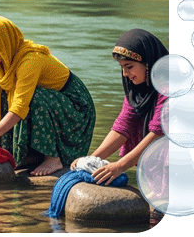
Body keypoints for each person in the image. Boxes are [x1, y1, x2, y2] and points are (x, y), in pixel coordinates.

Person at [0, 16, 96, 176]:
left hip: (74, 106)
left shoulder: (30, 60)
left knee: (34, 97)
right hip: (47, 102)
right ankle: (28, 155)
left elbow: (19, 107)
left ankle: (53, 158)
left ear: (4, 44)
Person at [70, 29, 168, 185]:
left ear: (147, 62)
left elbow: (157, 133)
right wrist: (89, 161)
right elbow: (124, 126)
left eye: (129, 66)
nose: (125, 74)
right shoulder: (136, 88)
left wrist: (120, 166)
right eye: (122, 67)